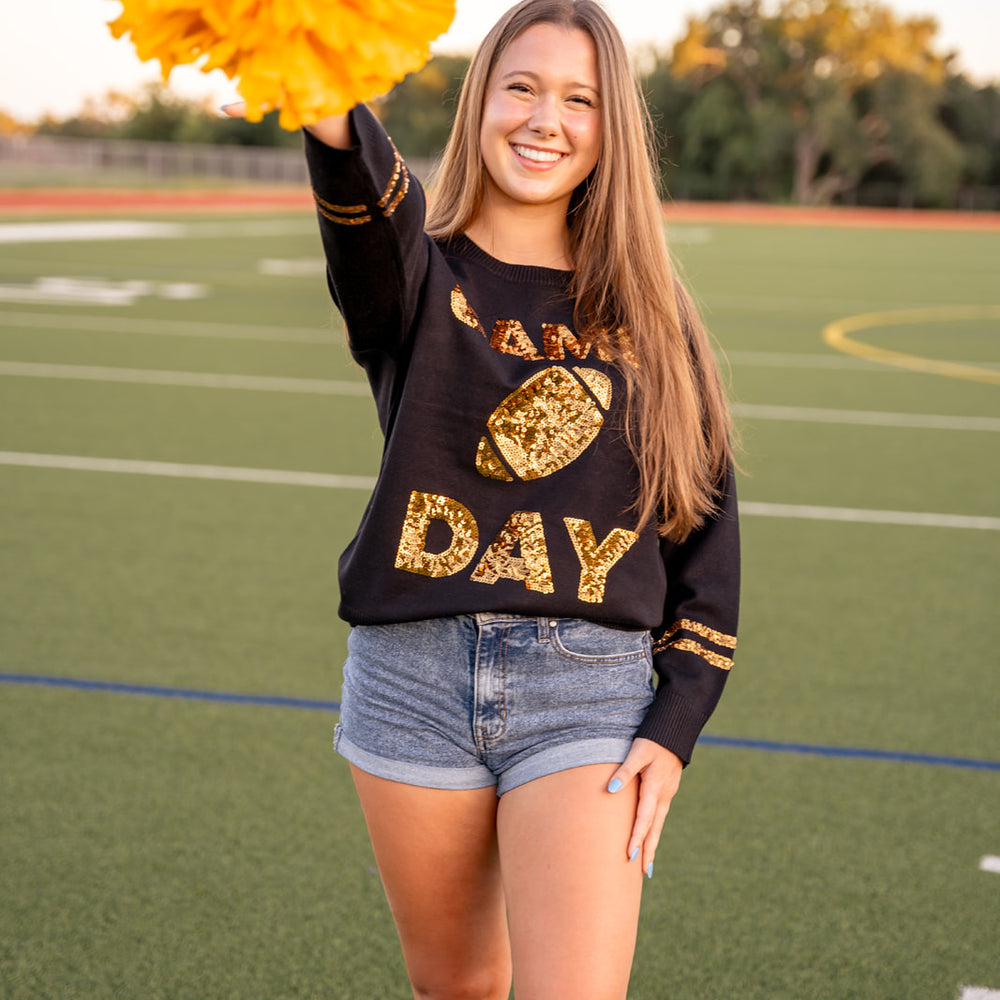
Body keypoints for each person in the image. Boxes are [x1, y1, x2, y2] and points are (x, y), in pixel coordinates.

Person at [229, 1, 738, 995]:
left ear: (611, 128)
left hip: (586, 684)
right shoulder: (416, 274)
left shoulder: (651, 306)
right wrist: (318, 77)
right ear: (480, 104)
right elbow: (362, 206)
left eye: (579, 98)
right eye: (522, 86)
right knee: (457, 985)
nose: (546, 118)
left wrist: (675, 722)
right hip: (409, 680)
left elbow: (704, 526)